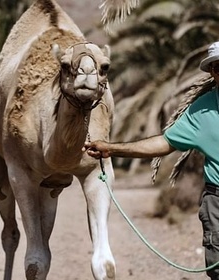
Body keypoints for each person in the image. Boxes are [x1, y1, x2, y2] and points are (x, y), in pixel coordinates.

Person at [82, 41, 219, 280]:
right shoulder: (201, 111)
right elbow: (164, 144)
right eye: (218, 68)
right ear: (213, 73)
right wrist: (112, 149)